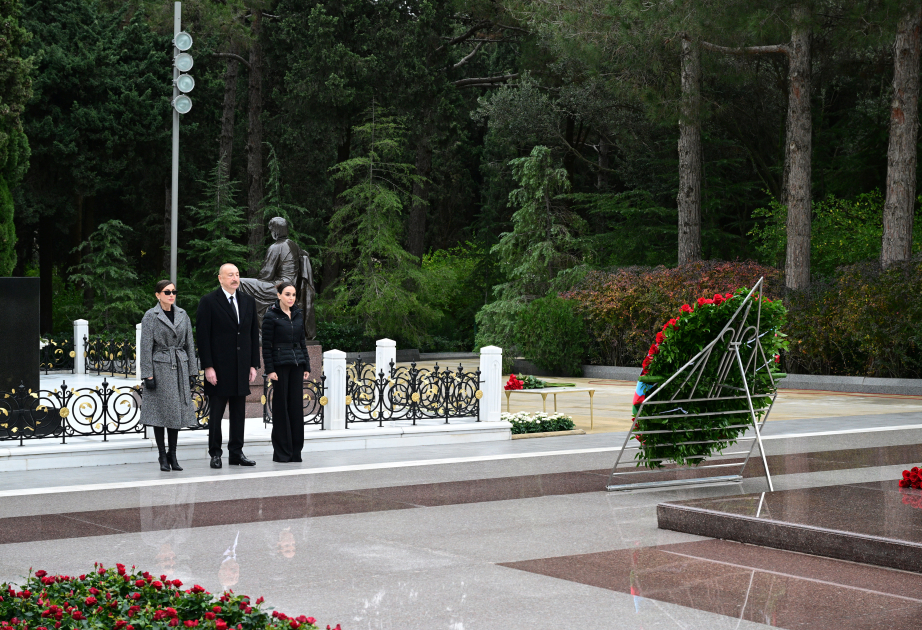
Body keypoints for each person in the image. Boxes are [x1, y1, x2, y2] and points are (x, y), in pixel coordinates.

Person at [197, 263, 260, 468]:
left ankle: (236, 453)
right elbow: (203, 336)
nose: (235, 278)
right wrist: (208, 366)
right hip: (219, 368)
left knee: (238, 413)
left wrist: (253, 364)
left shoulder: (248, 301)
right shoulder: (208, 302)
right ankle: (215, 453)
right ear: (220, 278)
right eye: (230, 275)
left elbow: (251, 334)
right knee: (216, 414)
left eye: (237, 274)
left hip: (241, 367)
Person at [139, 280, 199, 472]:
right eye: (167, 292)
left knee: (176, 413)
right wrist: (148, 375)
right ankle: (162, 455)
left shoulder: (182, 314)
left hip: (180, 365)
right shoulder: (151, 315)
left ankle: (173, 455)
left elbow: (190, 343)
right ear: (158, 295)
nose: (171, 295)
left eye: (174, 291)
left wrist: (192, 371)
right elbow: (145, 347)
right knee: (160, 413)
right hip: (160, 367)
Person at [261, 282, 311, 462]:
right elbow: (266, 346)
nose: (291, 298)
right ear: (279, 295)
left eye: (293, 295)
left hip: (297, 366)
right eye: (287, 294)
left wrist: (306, 366)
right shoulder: (270, 316)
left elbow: (302, 342)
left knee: (296, 408)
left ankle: (296, 451)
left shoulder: (298, 314)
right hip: (280, 366)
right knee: (281, 409)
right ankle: (282, 452)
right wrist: (270, 369)